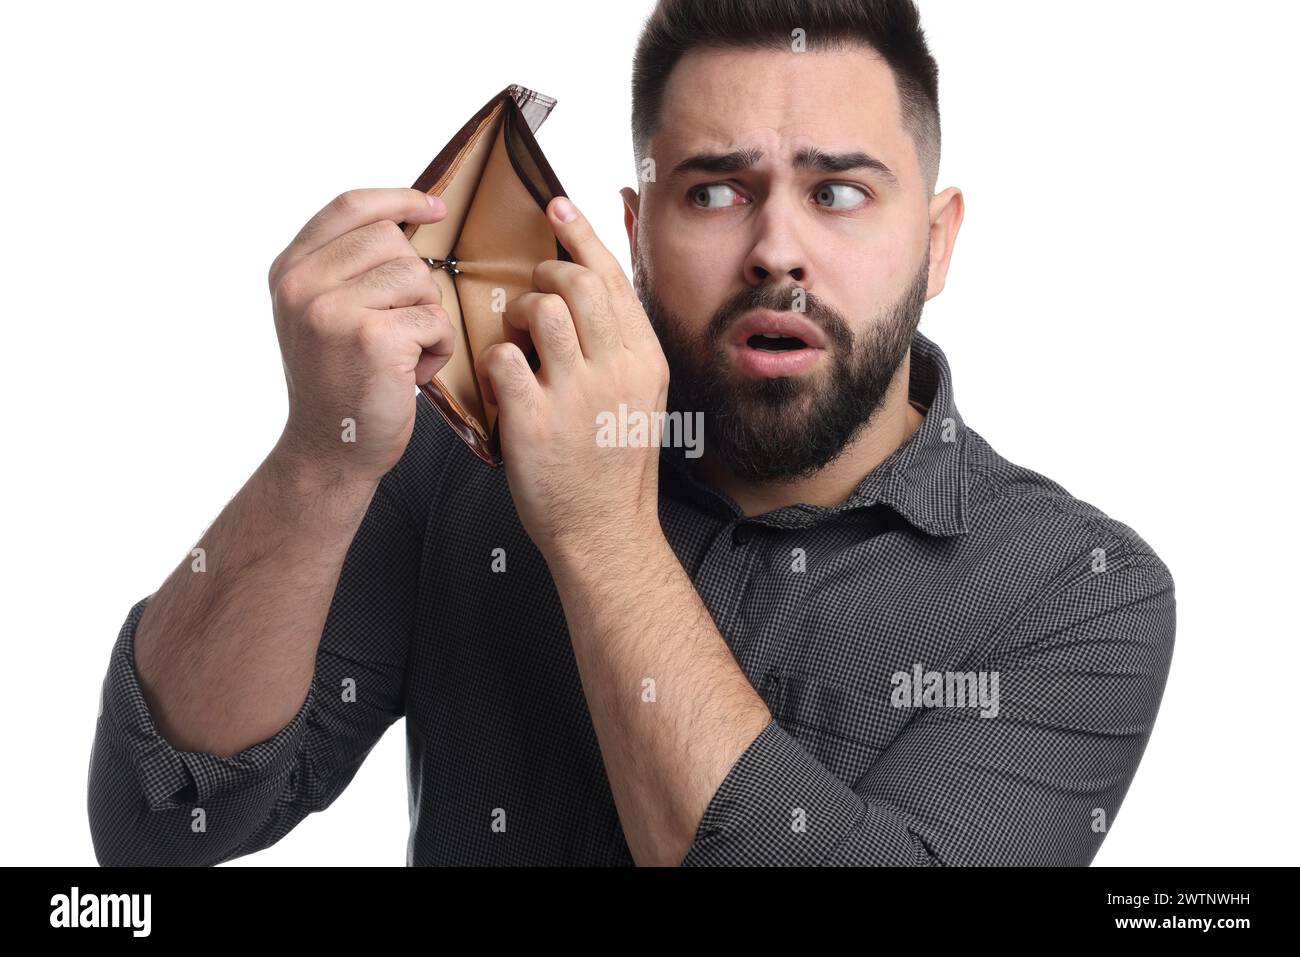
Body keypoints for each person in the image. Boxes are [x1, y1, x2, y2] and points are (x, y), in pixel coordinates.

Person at [88, 0, 1175, 866]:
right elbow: (160, 824)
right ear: (633, 233)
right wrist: (320, 461)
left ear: (935, 244)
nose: (776, 252)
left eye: (839, 193)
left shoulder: (1080, 589)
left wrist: (600, 531)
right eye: (713, 194)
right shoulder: (453, 462)